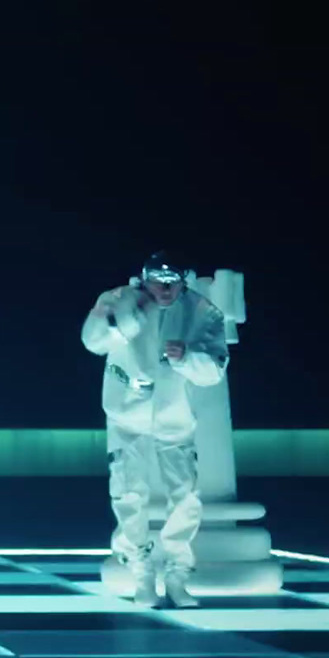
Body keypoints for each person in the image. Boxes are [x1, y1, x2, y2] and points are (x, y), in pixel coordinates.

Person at [80, 251, 228, 608]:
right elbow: (93, 340)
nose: (163, 289)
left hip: (174, 418)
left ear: (183, 280)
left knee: (186, 498)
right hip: (125, 414)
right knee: (128, 494)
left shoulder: (201, 310)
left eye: (171, 282)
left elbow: (215, 368)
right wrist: (128, 321)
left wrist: (186, 357)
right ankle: (141, 572)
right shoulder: (118, 299)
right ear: (142, 280)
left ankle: (177, 574)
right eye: (155, 281)